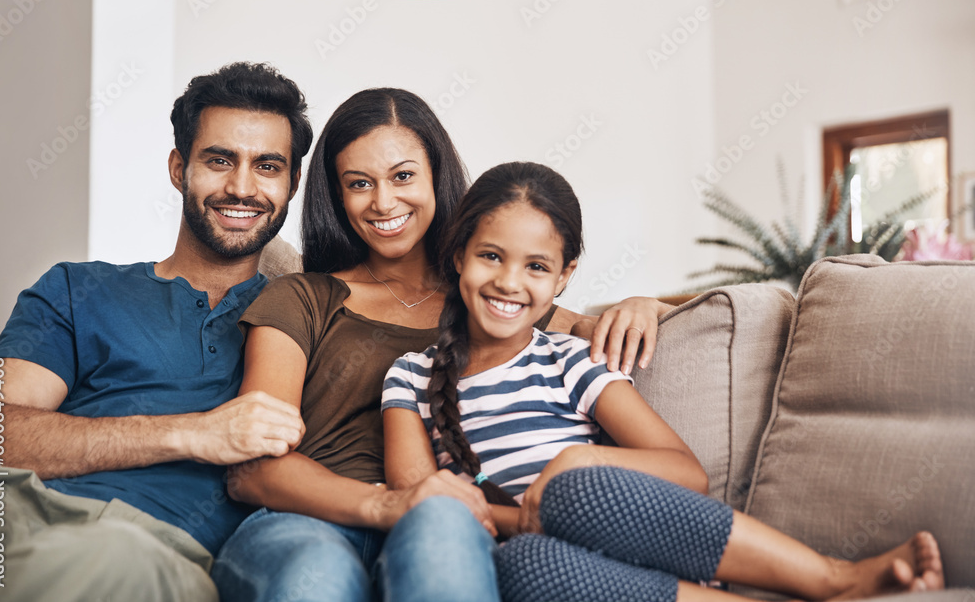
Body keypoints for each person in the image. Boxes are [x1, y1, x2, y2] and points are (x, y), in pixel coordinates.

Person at [380, 161, 945, 602]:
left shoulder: (569, 360)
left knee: (574, 487)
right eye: (491, 256)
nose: (508, 281)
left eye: (536, 266)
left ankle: (832, 578)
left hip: (621, 536)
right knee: (526, 567)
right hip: (556, 573)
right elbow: (424, 500)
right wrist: (529, 513)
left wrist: (576, 466)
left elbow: (684, 472)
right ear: (458, 255)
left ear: (564, 277)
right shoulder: (409, 379)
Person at [211, 88, 671, 602]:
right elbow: (252, 468)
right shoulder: (302, 297)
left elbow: (612, 322)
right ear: (338, 196)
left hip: (443, 525)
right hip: (306, 522)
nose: (383, 202)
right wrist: (388, 503)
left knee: (444, 538)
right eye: (359, 183)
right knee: (320, 577)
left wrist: (644, 303)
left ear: (436, 177)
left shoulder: (491, 299)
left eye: (403, 176)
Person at [0, 62, 312, 602]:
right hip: (2, 505)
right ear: (179, 169)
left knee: (99, 562)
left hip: (142, 548)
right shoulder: (75, 288)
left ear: (293, 183)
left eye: (267, 166)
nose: (242, 187)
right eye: (220, 160)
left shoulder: (303, 318)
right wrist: (194, 433)